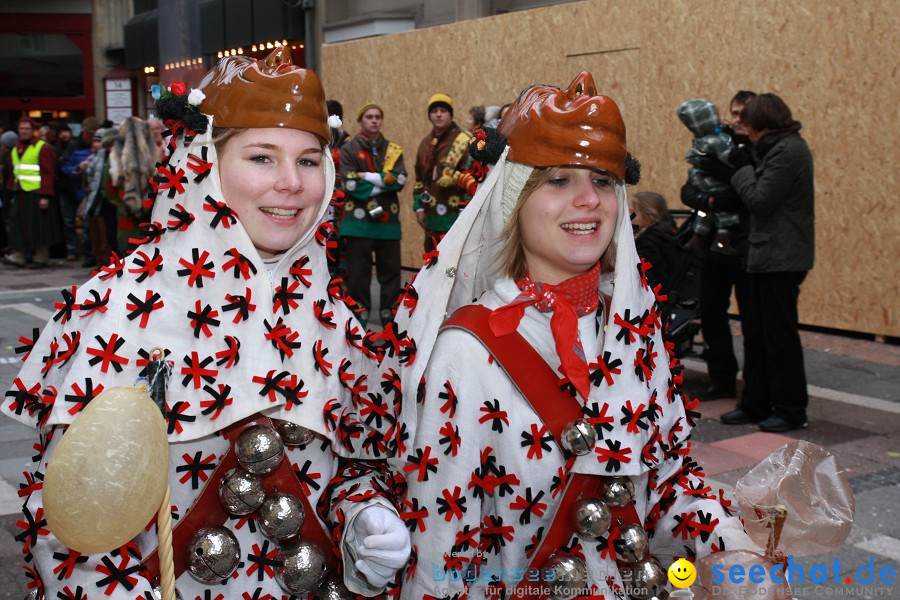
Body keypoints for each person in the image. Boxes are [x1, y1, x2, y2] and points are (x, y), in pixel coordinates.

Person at [3, 48, 409, 598]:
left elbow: (352, 466)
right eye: (262, 157)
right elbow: (70, 523)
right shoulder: (115, 308)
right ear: (204, 164)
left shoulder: (333, 318)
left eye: (309, 160)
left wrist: (365, 518)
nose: (291, 182)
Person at [392, 72, 752, 599]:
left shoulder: (633, 327)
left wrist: (735, 547)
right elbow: (443, 551)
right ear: (514, 199)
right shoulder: (466, 351)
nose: (589, 199)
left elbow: (669, 481)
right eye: (558, 180)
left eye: (603, 180)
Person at [715, 93, 815, 433]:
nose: (744, 128)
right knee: (756, 334)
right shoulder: (777, 147)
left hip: (781, 257)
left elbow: (760, 200)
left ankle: (790, 409)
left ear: (762, 123)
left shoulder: (788, 151)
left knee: (778, 337)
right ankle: (755, 403)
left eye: (748, 123)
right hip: (767, 254)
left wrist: (741, 167)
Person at [681, 91, 755, 401]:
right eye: (733, 113)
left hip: (744, 246)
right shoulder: (716, 141)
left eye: (743, 114)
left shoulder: (751, 150)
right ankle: (722, 379)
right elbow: (689, 188)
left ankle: (755, 385)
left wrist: (722, 190)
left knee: (752, 319)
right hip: (713, 246)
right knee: (712, 313)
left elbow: (750, 194)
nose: (736, 119)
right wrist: (706, 200)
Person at [339, 102, 407, 327]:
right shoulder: (348, 149)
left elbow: (400, 180)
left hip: (389, 222)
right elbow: (348, 184)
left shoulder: (393, 149)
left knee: (391, 271)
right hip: (357, 224)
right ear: (360, 121)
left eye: (378, 116)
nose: (374, 120)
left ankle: (389, 312)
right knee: (358, 272)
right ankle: (360, 312)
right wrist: (382, 180)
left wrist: (366, 176)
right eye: (369, 116)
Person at [677, 98, 740, 256]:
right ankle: (722, 240)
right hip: (715, 188)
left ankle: (698, 238)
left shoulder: (701, 141)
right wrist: (711, 201)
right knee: (724, 213)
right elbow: (730, 158)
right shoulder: (719, 142)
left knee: (707, 214)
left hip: (702, 183)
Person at [413, 93, 473, 253]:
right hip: (430, 219)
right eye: (434, 111)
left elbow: (475, 179)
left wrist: (456, 179)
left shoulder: (465, 141)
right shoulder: (425, 143)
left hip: (456, 217)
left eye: (443, 111)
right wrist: (418, 207)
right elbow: (419, 179)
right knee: (431, 266)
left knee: (454, 269)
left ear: (450, 114)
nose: (438, 114)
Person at [3, 117, 61, 268]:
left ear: (32, 130)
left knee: (39, 227)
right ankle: (18, 256)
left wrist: (45, 196)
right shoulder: (16, 148)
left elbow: (49, 172)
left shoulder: (42, 147)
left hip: (37, 193)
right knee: (17, 225)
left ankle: (41, 257)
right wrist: (11, 192)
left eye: (27, 128)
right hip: (20, 192)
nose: (24, 131)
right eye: (21, 128)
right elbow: (14, 171)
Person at [61, 116, 102, 266]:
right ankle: (73, 251)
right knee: (70, 223)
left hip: (87, 191)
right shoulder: (73, 147)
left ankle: (90, 255)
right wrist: (78, 169)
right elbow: (64, 167)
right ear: (84, 132)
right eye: (90, 134)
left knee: (88, 224)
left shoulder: (99, 148)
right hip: (71, 189)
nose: (92, 139)